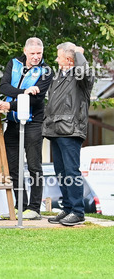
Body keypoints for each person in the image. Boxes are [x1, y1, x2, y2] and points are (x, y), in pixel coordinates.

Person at [0, 38, 52, 220]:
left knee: (34, 166)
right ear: (25, 51)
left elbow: (36, 100)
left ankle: (34, 208)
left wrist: (9, 105)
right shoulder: (14, 63)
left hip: (33, 122)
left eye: (39, 54)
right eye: (33, 53)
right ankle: (21, 206)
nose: (36, 57)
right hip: (12, 123)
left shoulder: (46, 71)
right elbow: (3, 86)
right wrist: (25, 92)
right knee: (13, 167)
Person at [43, 43, 94, 227]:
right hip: (55, 130)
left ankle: (78, 212)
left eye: (59, 56)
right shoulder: (58, 77)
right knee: (61, 172)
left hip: (71, 130)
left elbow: (85, 72)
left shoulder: (80, 77)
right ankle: (68, 207)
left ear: (69, 59)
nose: (56, 60)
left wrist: (79, 53)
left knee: (71, 171)